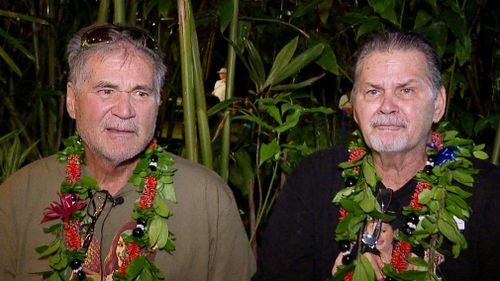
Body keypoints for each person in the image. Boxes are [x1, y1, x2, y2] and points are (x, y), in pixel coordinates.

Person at [0, 24, 255, 280]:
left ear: (157, 103)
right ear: (72, 100)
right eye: (107, 90)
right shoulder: (19, 196)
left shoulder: (208, 200)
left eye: (140, 93)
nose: (124, 110)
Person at [254, 31, 500, 280]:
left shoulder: (487, 192)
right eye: (373, 91)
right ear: (355, 110)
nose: (387, 105)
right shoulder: (314, 179)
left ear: (438, 104)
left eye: (405, 90)